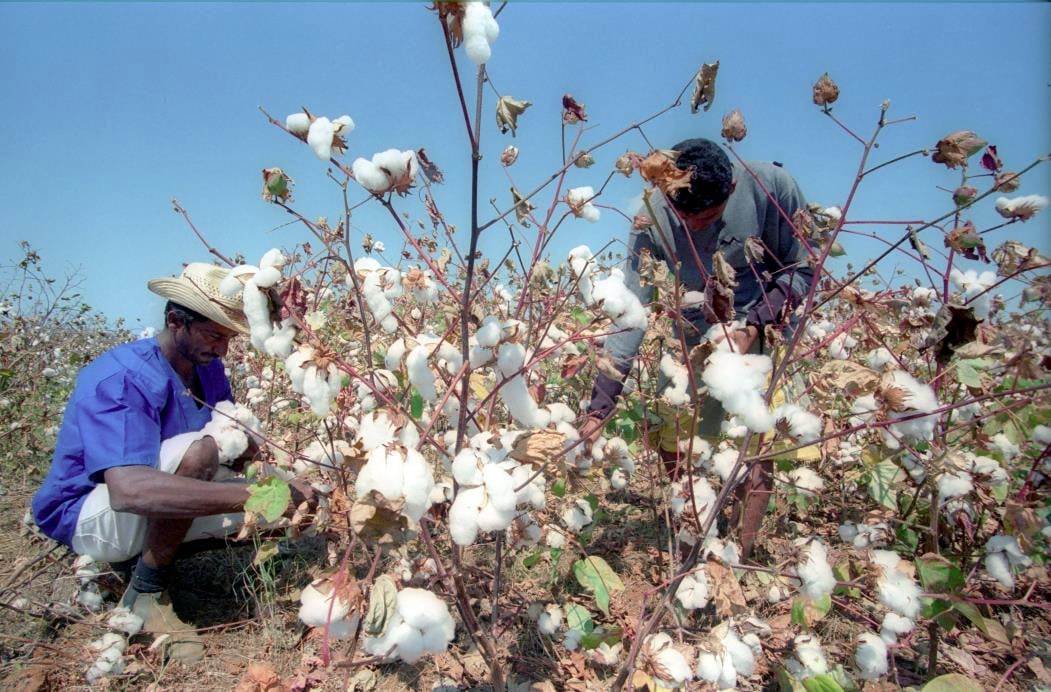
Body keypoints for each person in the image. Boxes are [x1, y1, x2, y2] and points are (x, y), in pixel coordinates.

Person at [31, 262, 313, 662]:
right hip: (88, 515)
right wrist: (256, 494)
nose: (222, 350)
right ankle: (146, 592)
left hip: (147, 499)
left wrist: (268, 475)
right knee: (207, 454)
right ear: (175, 320)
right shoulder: (122, 376)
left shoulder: (207, 368)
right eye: (215, 335)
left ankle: (148, 559)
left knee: (289, 500)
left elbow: (230, 447)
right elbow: (129, 491)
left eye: (229, 338)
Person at [579, 138, 814, 553]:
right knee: (674, 437)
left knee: (753, 442)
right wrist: (599, 408)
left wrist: (753, 327)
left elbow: (804, 269)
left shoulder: (772, 187)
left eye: (708, 217)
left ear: (733, 188)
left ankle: (742, 555)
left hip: (758, 325)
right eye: (684, 217)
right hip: (686, 333)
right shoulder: (649, 219)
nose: (696, 228)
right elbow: (631, 311)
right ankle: (694, 541)